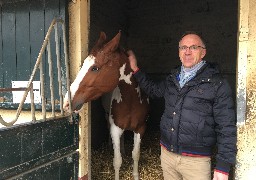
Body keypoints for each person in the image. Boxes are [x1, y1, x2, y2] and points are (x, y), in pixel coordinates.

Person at [127, 31, 237, 180]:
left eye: (193, 47)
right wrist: (135, 69)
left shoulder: (217, 84)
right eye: (183, 47)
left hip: (196, 162)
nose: (187, 52)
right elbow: (154, 90)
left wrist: (223, 166)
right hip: (167, 155)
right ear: (179, 52)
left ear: (203, 52)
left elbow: (226, 126)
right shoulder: (172, 78)